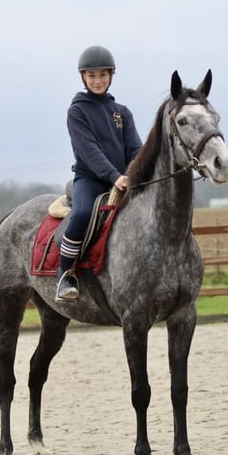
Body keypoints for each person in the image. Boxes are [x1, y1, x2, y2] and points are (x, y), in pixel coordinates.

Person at [56, 45, 143, 302]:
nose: (97, 81)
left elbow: (135, 149)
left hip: (124, 179)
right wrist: (114, 176)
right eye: (92, 76)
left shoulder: (122, 112)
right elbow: (88, 150)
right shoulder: (77, 111)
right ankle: (65, 274)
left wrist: (138, 171)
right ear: (83, 77)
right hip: (91, 179)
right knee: (82, 213)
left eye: (102, 75)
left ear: (111, 76)